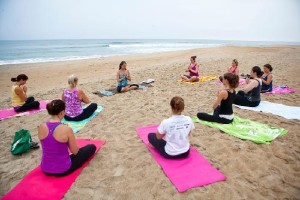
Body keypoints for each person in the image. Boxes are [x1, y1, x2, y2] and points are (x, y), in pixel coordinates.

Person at [38, 99, 96, 176]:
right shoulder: (66, 129)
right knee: (91, 147)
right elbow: (75, 151)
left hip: (45, 168)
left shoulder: (41, 127)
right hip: (62, 169)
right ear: (62, 112)